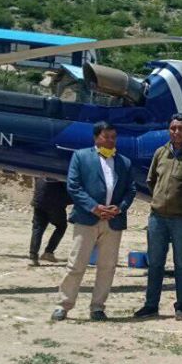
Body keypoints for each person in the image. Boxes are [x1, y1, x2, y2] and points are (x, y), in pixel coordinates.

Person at [52, 121, 136, 322]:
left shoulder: (124, 162)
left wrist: (119, 208)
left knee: (107, 267)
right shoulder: (81, 157)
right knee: (76, 264)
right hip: (87, 219)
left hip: (113, 221)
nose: (110, 141)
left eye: (113, 137)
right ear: (96, 137)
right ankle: (63, 305)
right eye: (106, 137)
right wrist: (94, 207)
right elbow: (74, 186)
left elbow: (131, 190)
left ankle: (98, 307)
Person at [133, 114, 182, 321]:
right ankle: (151, 305)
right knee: (155, 263)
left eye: (181, 128)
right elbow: (151, 181)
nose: (176, 132)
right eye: (173, 128)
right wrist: (161, 199)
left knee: (181, 264)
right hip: (157, 217)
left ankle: (181, 306)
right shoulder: (160, 152)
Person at [29, 178, 72, 266]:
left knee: (38, 228)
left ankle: (33, 256)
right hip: (55, 204)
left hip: (39, 200)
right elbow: (68, 187)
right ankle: (48, 252)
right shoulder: (60, 171)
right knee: (61, 227)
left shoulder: (40, 171)